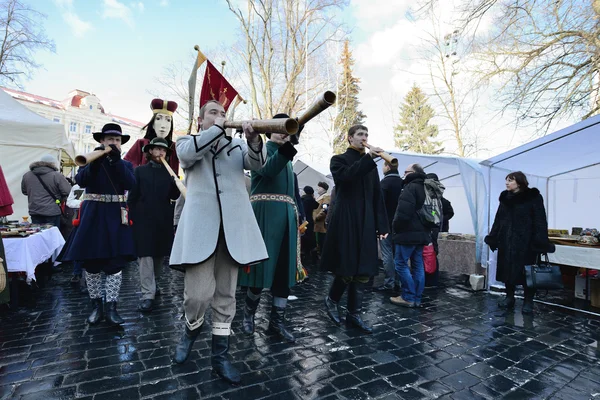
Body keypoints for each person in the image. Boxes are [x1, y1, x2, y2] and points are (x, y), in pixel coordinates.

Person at [170, 100, 268, 385]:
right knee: (197, 296)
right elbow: (188, 156)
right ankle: (190, 330)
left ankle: (220, 357)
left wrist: (253, 140)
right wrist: (216, 129)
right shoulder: (186, 141)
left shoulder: (236, 147)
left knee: (226, 297)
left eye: (224, 113)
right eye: (213, 113)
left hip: (233, 230)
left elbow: (258, 165)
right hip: (201, 231)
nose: (221, 116)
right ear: (201, 120)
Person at [59, 123, 136, 325]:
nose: (114, 142)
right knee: (91, 265)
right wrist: (94, 161)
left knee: (115, 265)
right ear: (101, 141)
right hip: (92, 217)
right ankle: (96, 307)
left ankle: (112, 307)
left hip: (115, 217)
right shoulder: (90, 161)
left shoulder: (126, 164)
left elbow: (131, 184)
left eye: (117, 140)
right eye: (110, 139)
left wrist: (116, 162)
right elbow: (81, 181)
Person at [239, 113, 301, 343]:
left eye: (287, 129)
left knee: (283, 271)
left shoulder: (288, 158)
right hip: (264, 213)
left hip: (286, 216)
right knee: (260, 268)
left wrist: (298, 214)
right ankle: (248, 315)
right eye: (279, 128)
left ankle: (277, 322)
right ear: (269, 131)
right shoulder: (262, 151)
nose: (283, 133)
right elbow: (268, 170)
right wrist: (288, 146)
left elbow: (291, 193)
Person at [321, 125, 388, 334]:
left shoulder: (370, 166)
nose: (364, 138)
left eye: (367, 134)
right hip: (347, 219)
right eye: (360, 135)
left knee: (363, 271)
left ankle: (354, 314)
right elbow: (346, 177)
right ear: (350, 139)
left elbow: (377, 195)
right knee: (347, 267)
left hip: (366, 221)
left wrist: (382, 225)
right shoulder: (338, 159)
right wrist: (368, 159)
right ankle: (331, 300)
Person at [485, 171, 549, 314]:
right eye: (506, 180)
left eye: (510, 180)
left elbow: (540, 220)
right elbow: (498, 219)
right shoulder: (505, 198)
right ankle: (509, 297)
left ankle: (528, 301)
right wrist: (493, 236)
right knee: (507, 270)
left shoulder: (533, 197)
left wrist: (540, 242)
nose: (507, 183)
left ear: (519, 182)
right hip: (506, 242)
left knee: (527, 273)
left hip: (526, 243)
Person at [128, 138, 180, 312]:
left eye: (163, 150)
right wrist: (134, 217)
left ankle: (153, 285)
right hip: (143, 220)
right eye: (157, 149)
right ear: (150, 152)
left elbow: (173, 196)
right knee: (145, 257)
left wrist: (176, 185)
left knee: (159, 256)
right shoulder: (140, 171)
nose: (161, 153)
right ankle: (147, 294)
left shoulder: (169, 172)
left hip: (163, 220)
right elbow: (132, 197)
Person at [390, 164, 437, 308]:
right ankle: (416, 298)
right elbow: (434, 213)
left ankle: (408, 296)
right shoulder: (429, 188)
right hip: (422, 234)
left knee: (400, 264)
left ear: (414, 173)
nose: (404, 174)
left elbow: (403, 214)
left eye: (406, 171)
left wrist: (395, 229)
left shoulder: (410, 187)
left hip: (407, 234)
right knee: (418, 266)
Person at [124, 98, 180, 172]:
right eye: (158, 118)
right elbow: (128, 165)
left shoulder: (175, 147)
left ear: (171, 125)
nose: (163, 125)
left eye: (168, 120)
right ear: (153, 124)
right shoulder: (141, 143)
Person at [374, 161, 403, 292]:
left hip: (386, 225)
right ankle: (399, 281)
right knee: (398, 254)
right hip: (400, 225)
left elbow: (379, 206)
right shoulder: (403, 183)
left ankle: (389, 282)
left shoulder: (384, 183)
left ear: (387, 167)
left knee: (387, 254)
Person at [21, 154, 71, 227]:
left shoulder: (27, 175)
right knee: (52, 235)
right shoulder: (56, 175)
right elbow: (67, 191)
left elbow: (24, 191)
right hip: (52, 211)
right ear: (52, 164)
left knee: (37, 235)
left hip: (35, 210)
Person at [301, 185, 319, 265]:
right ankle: (314, 256)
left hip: (303, 220)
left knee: (303, 236)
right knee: (311, 237)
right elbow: (316, 205)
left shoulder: (303, 199)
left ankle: (303, 254)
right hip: (310, 221)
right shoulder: (312, 200)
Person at [313, 181, 331, 258]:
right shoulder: (319, 197)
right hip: (316, 223)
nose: (318, 189)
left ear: (324, 189)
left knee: (321, 241)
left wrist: (318, 217)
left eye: (320, 187)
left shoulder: (326, 197)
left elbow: (325, 208)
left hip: (320, 222)